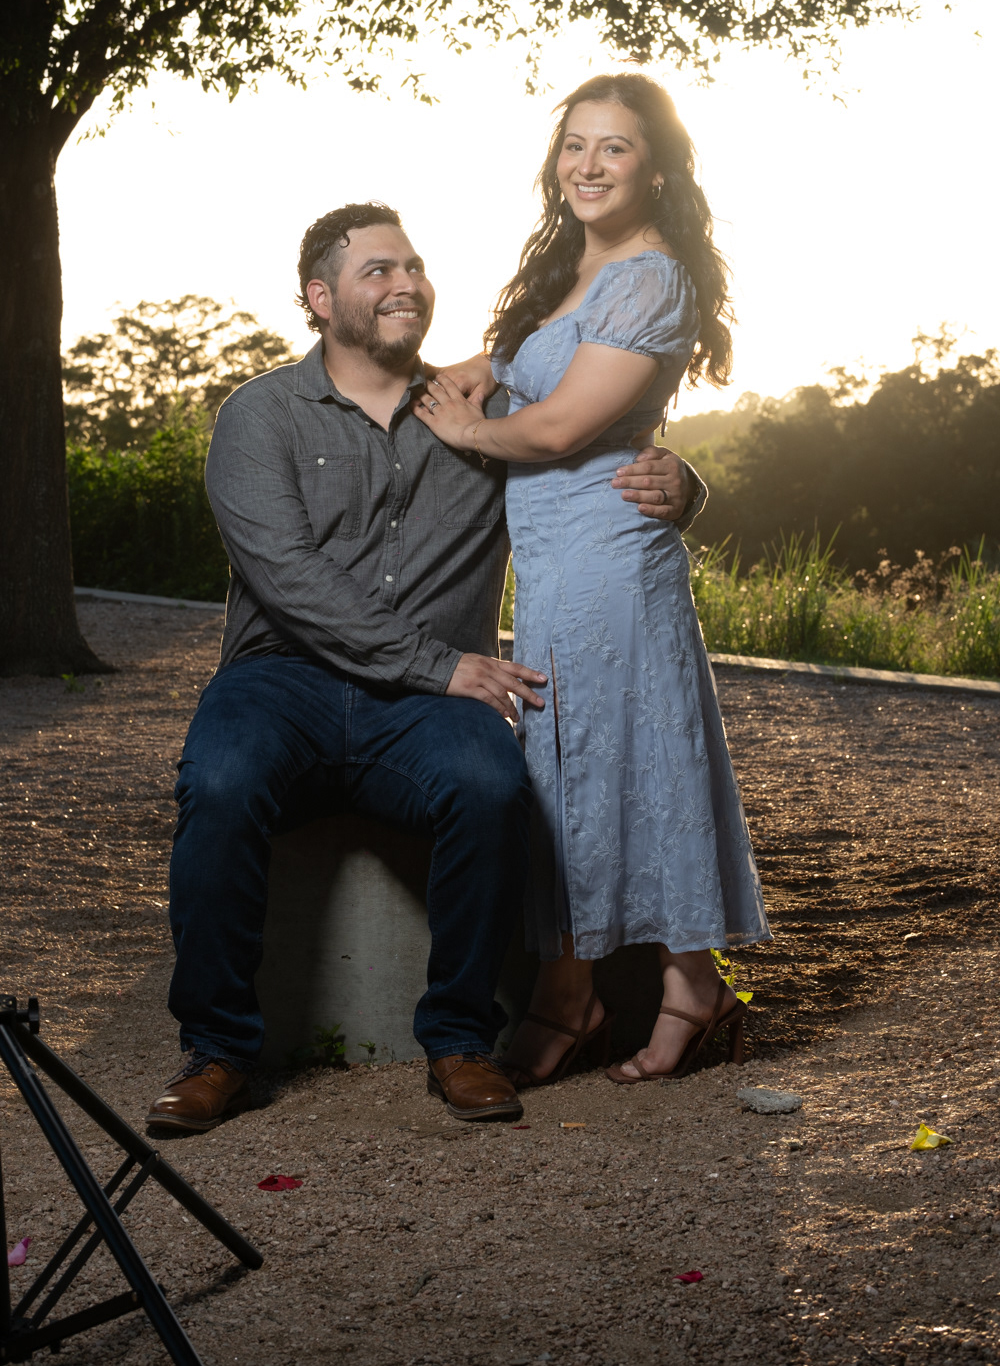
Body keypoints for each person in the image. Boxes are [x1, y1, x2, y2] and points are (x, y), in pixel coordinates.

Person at [145, 200, 704, 1134]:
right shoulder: (260, 415)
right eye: (378, 271)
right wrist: (438, 664)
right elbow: (288, 578)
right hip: (284, 678)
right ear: (321, 298)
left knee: (491, 784)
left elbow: (592, 445)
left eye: (413, 267)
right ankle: (217, 1050)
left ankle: (458, 1040)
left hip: (429, 704)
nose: (406, 284)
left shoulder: (484, 413)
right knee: (221, 777)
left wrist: (683, 486)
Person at [415, 74, 771, 1087]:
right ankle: (624, 988)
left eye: (614, 147)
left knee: (626, 763)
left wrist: (472, 430)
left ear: (656, 168)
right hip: (555, 562)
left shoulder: (651, 278)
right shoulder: (569, 268)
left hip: (612, 558)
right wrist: (479, 369)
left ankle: (631, 990)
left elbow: (564, 426)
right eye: (575, 144)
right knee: (576, 766)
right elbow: (515, 369)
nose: (588, 164)